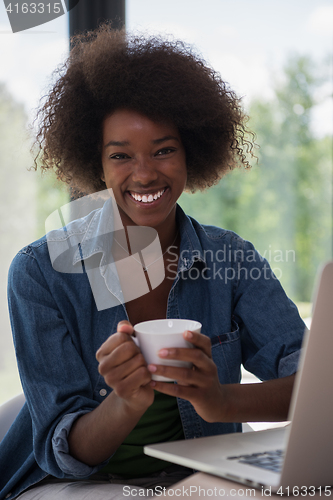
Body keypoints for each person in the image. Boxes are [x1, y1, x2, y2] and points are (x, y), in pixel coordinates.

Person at [0, 25, 305, 500]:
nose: (144, 173)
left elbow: (311, 383)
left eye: (164, 150)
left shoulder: (230, 258)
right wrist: (125, 402)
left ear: (191, 153)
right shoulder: (40, 273)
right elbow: (66, 452)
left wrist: (220, 399)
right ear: (96, 163)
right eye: (121, 155)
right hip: (76, 485)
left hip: (200, 482)